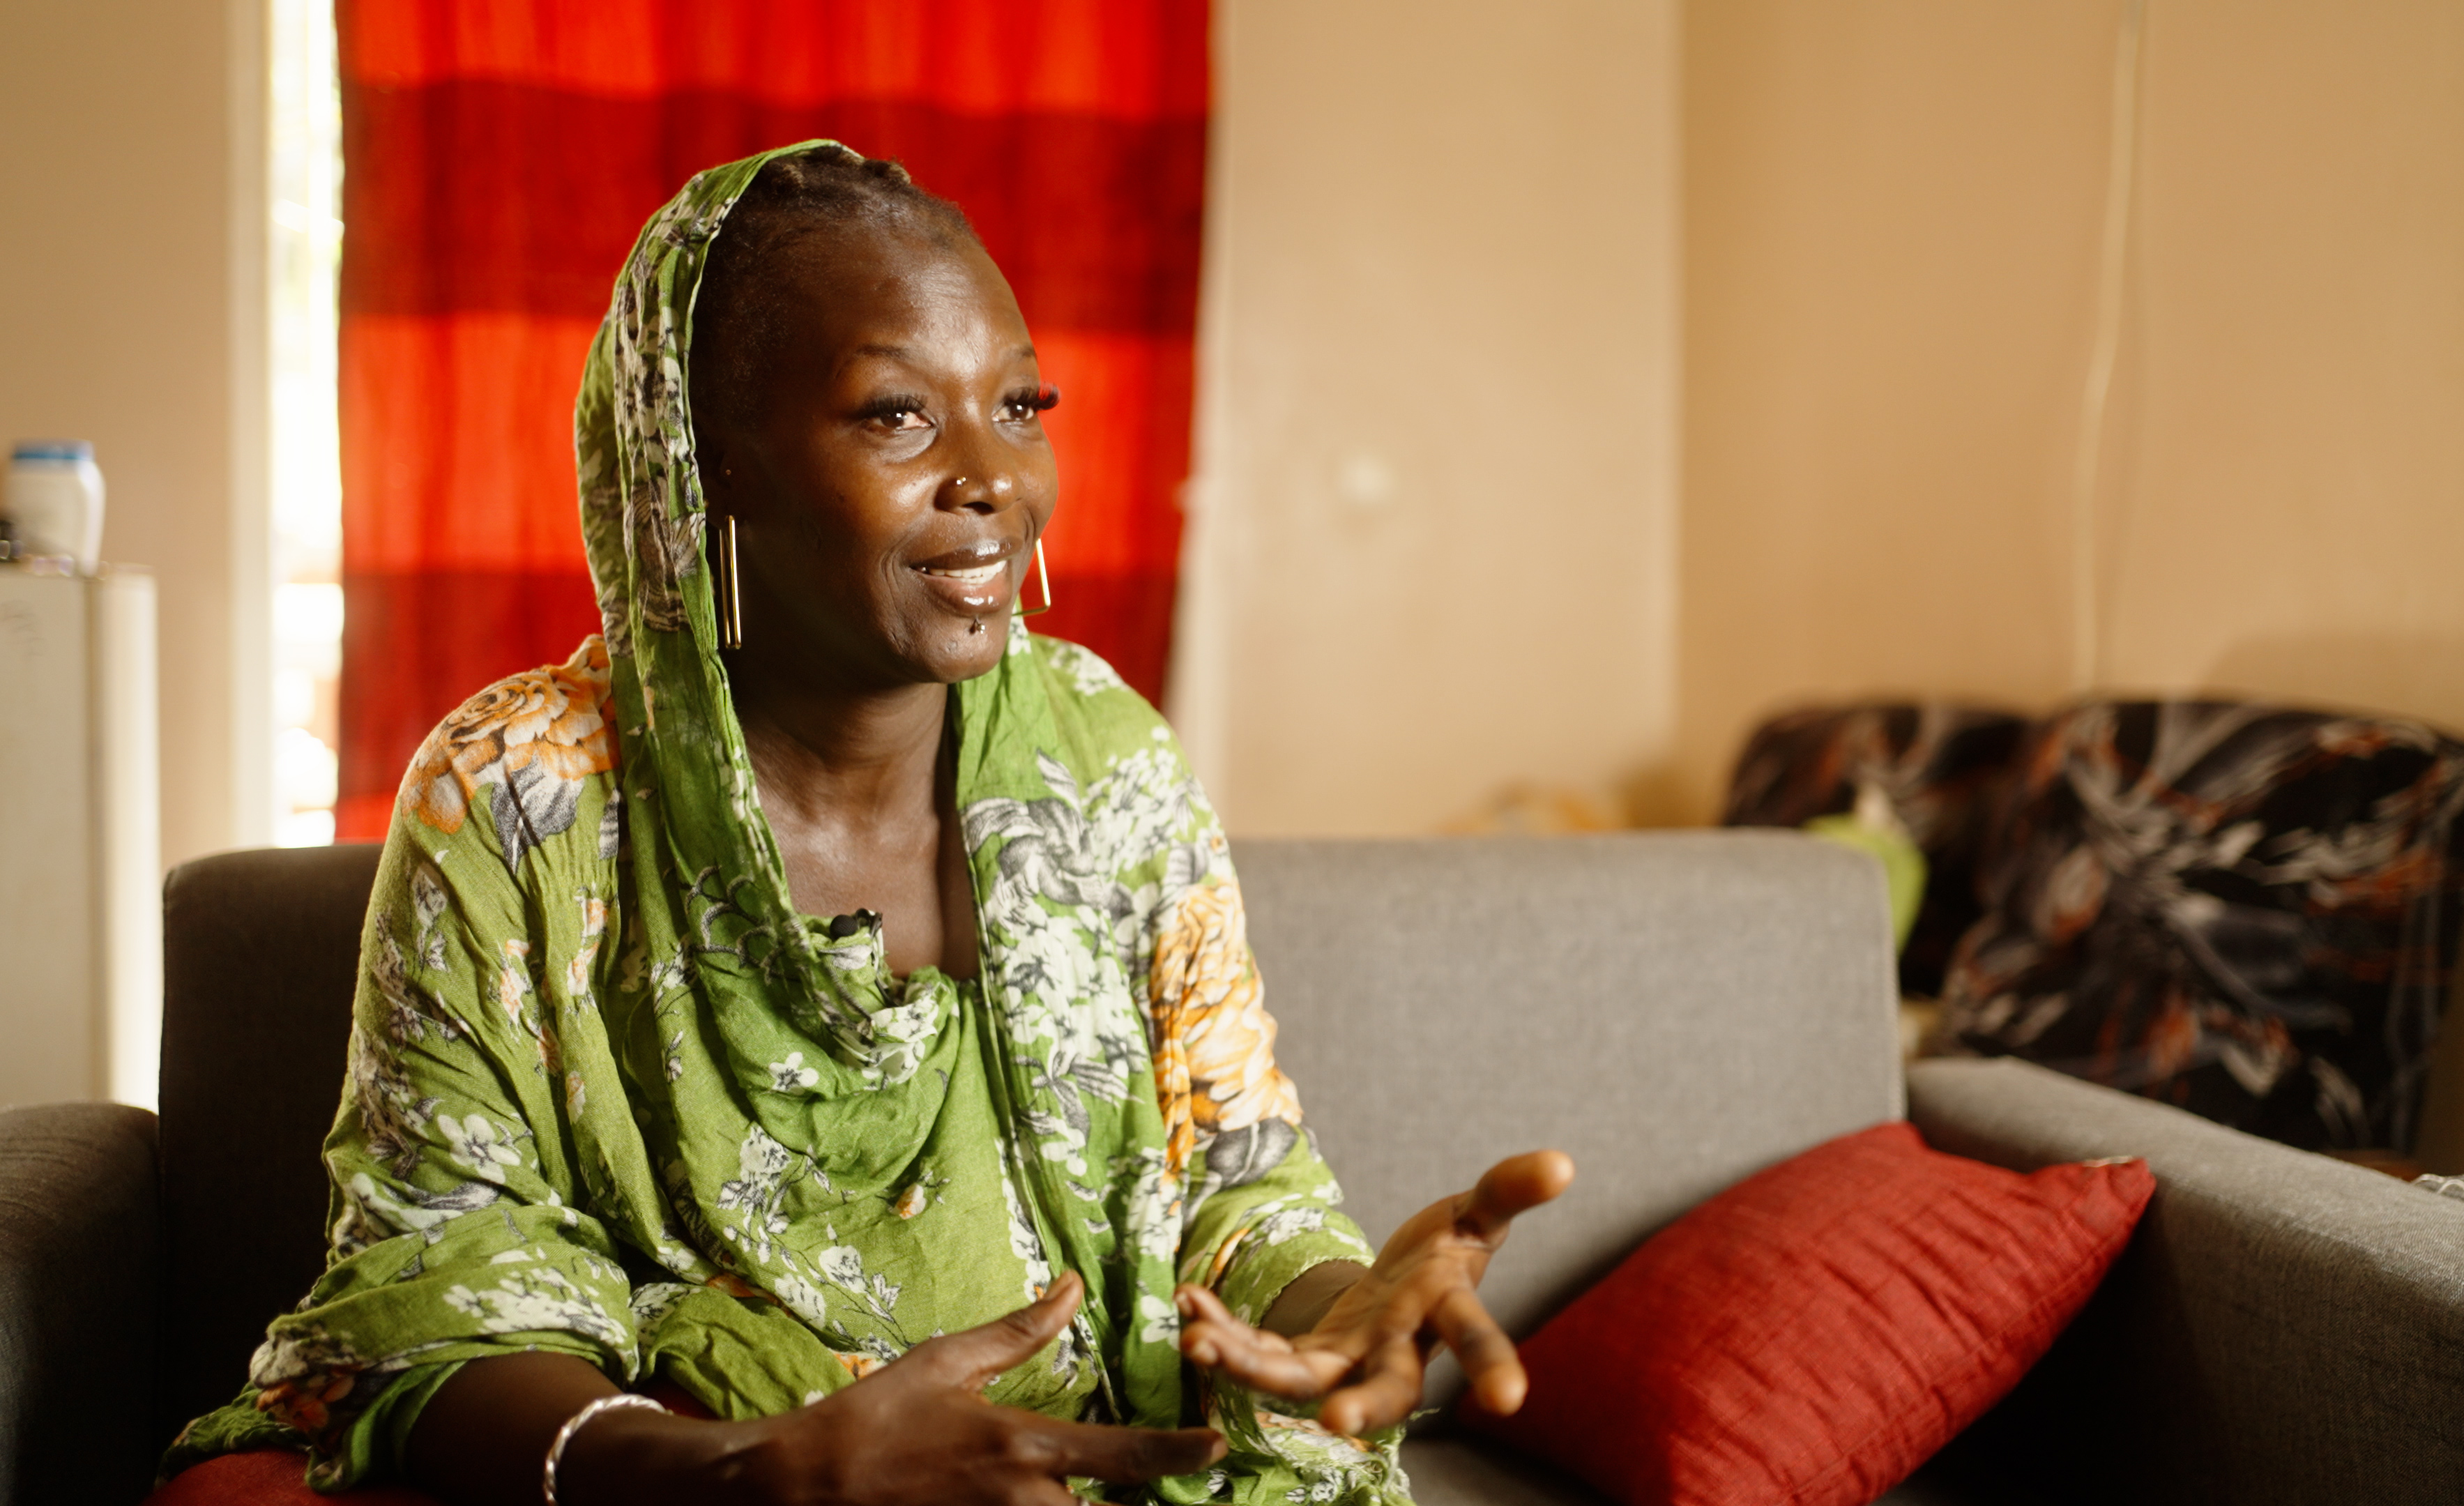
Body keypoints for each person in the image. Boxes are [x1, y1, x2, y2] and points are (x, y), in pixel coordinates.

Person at [155, 142, 1570, 1506]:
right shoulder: (522, 794)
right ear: (716, 464)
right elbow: (440, 1271)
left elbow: (1235, 1187)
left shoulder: (1107, 762)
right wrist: (743, 1474)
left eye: (1021, 407)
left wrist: (1351, 1304)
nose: (994, 479)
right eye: (898, 414)